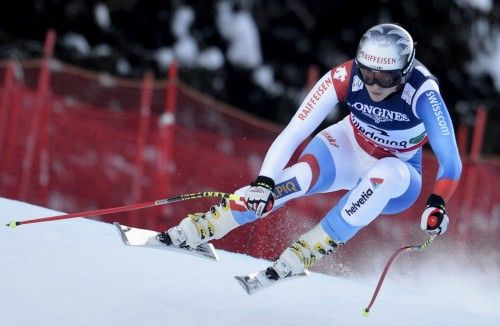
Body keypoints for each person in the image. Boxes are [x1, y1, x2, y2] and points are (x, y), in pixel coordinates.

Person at [153, 23, 462, 280]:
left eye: (386, 78)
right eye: (368, 74)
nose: (374, 85)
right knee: (294, 179)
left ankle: (308, 249)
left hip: (399, 173)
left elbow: (451, 160)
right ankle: (204, 226)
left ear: (405, 73)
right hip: (348, 147)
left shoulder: (423, 92)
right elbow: (296, 130)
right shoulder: (344, 77)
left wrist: (437, 205)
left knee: (383, 175)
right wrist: (264, 182)